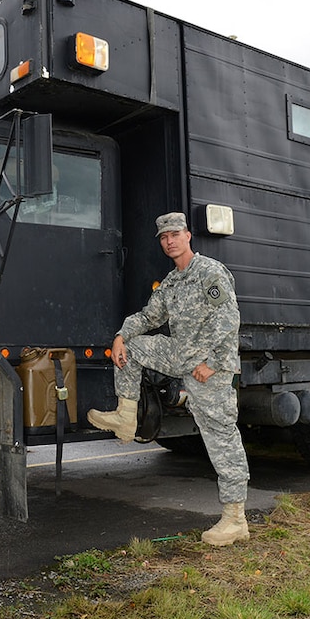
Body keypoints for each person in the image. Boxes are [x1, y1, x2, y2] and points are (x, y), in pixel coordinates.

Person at [87, 212, 250, 546]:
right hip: (181, 354)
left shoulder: (209, 271)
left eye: (175, 234)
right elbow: (150, 316)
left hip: (209, 366)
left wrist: (214, 363)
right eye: (163, 238)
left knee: (220, 438)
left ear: (188, 236)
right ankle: (126, 417)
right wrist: (121, 335)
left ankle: (236, 519)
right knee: (130, 349)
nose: (169, 241)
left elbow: (228, 318)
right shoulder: (172, 282)